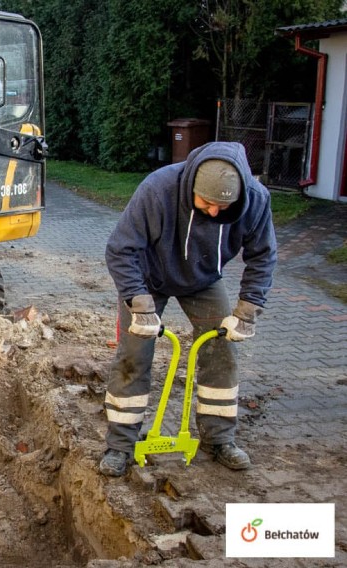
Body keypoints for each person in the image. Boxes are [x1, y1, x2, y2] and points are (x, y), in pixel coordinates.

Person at [99, 141, 277, 477]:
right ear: (192, 186)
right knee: (133, 355)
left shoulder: (254, 199)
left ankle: (219, 439)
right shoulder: (159, 189)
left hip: (204, 279)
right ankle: (120, 445)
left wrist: (248, 308)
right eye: (207, 203)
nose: (213, 211)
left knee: (221, 350)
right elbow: (120, 249)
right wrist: (139, 303)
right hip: (149, 278)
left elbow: (263, 255)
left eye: (222, 206)